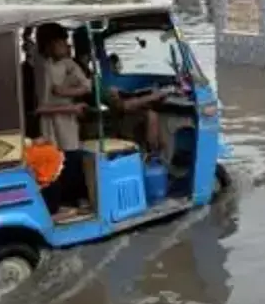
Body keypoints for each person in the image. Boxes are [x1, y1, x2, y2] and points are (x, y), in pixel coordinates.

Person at [34, 23, 92, 213]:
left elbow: (87, 86)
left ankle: (78, 199)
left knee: (73, 160)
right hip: (50, 126)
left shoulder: (69, 63)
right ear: (49, 45)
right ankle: (57, 206)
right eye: (61, 42)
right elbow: (40, 108)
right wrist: (70, 106)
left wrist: (64, 91)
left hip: (68, 124)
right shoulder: (42, 67)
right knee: (55, 164)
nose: (66, 46)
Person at [95, 53, 172, 157]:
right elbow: (124, 106)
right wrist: (152, 97)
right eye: (115, 65)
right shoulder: (105, 85)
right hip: (117, 118)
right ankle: (153, 154)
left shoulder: (108, 83)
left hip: (119, 115)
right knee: (151, 115)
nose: (118, 69)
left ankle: (158, 150)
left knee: (151, 113)